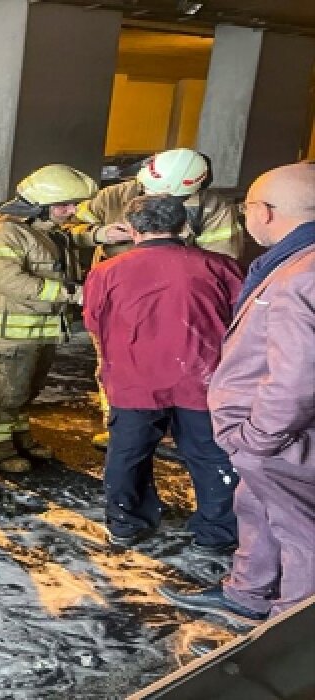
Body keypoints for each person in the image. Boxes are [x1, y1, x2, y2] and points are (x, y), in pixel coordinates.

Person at [160, 162, 315, 625]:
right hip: (275, 438)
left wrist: (258, 438)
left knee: (300, 530)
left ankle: (290, 631)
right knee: (257, 507)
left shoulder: (296, 279)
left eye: (246, 207)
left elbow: (296, 377)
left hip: (280, 438)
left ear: (266, 211)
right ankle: (249, 594)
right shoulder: (294, 262)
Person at [82, 194, 242, 550]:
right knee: (211, 454)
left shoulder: (107, 272)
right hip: (202, 377)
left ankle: (126, 523)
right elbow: (241, 320)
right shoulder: (219, 265)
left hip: (133, 380)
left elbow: (93, 321)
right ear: (183, 224)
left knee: (128, 452)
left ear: (133, 228)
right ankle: (218, 532)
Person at [69, 149, 244, 450]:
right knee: (116, 364)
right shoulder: (115, 196)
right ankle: (121, 428)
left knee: (182, 363)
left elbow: (221, 264)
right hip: (122, 298)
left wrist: (170, 246)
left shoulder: (215, 209)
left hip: (178, 302)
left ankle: (178, 428)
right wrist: (98, 234)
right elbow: (63, 228)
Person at [0, 164, 93, 473]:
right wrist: (71, 294)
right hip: (8, 333)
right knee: (6, 391)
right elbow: (8, 281)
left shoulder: (44, 232)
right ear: (37, 206)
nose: (72, 210)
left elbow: (74, 240)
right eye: (64, 205)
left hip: (37, 330)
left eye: (74, 204)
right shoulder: (1, 234)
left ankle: (18, 436)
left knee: (26, 390)